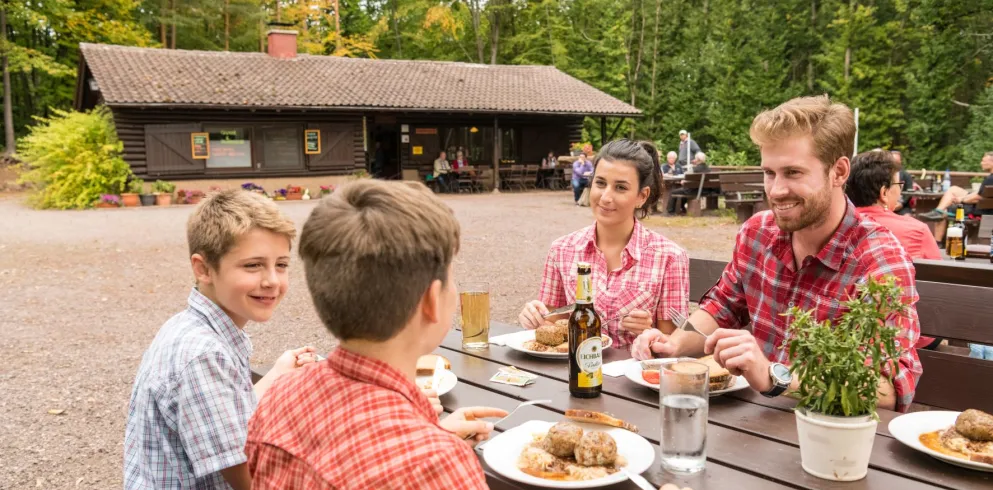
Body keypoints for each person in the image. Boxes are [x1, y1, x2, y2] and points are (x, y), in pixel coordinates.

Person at [631, 96, 922, 412]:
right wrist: (673, 345)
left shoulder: (879, 262)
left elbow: (885, 389)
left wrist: (773, 376)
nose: (776, 190)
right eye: (769, 173)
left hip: (833, 438)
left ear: (839, 172)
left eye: (793, 173)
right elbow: (722, 306)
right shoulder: (759, 232)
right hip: (756, 426)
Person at [246, 180, 507, 489]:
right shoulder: (434, 464)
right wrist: (440, 455)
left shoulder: (280, 395)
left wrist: (434, 435)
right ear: (431, 301)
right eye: (452, 278)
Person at [124, 189, 317, 490]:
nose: (272, 281)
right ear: (203, 269)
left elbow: (230, 416)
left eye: (281, 264)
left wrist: (278, 374)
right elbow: (251, 478)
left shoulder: (190, 326)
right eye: (253, 265)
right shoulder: (202, 355)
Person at [518, 139, 689, 348]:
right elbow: (552, 326)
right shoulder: (562, 250)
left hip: (633, 376)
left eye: (620, 187)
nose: (606, 197)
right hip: (575, 374)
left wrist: (650, 331)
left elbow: (673, 344)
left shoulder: (669, 257)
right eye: (600, 183)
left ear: (641, 196)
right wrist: (534, 317)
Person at [847, 150, 943, 351]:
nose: (900, 191)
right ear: (884, 193)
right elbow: (940, 286)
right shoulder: (916, 230)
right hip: (903, 339)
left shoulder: (834, 227)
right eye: (898, 186)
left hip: (843, 332)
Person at [919, 152, 993, 241]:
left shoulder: (990, 179)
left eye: (984, 161)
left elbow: (977, 198)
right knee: (953, 189)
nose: (981, 163)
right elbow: (979, 194)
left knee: (944, 212)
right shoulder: (990, 178)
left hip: (979, 210)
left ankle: (937, 241)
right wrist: (962, 198)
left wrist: (961, 200)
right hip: (985, 207)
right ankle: (938, 211)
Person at [889, 150, 915, 215]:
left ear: (900, 162)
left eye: (897, 162)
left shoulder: (906, 175)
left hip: (903, 205)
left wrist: (901, 203)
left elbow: (910, 191)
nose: (895, 164)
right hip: (886, 205)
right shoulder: (882, 174)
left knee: (907, 217)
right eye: (893, 161)